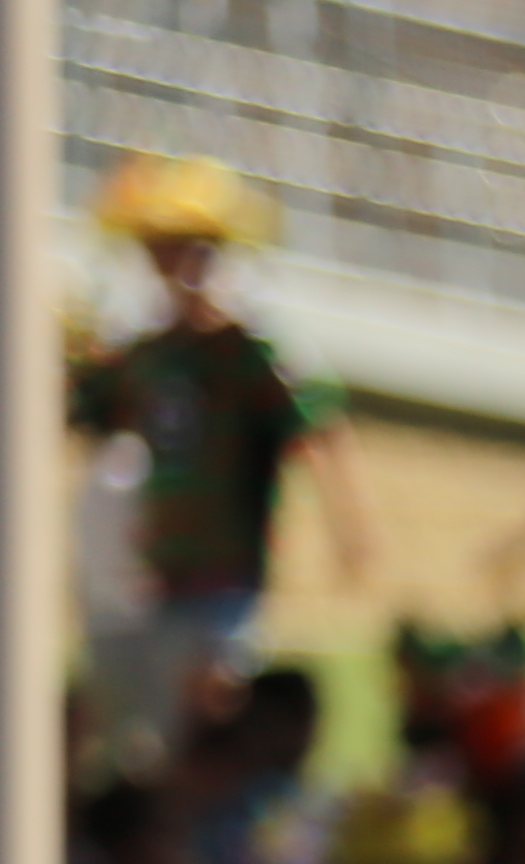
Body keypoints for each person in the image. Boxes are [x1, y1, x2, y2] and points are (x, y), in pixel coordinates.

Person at [74, 156, 372, 755]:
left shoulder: (253, 354)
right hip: (154, 574)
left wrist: (351, 529)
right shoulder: (147, 356)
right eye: (160, 248)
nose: (174, 264)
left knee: (212, 711)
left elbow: (319, 432)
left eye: (188, 247)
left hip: (226, 574)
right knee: (148, 734)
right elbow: (91, 417)